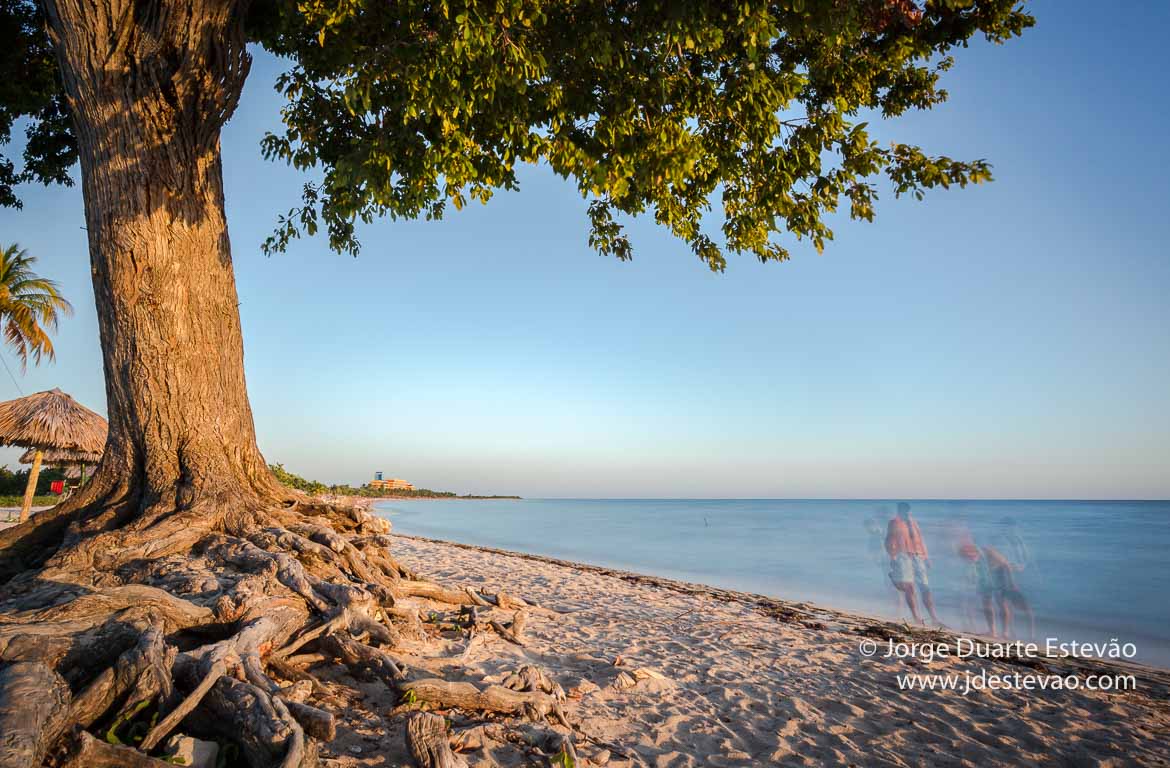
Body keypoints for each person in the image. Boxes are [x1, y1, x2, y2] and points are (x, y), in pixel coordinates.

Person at [885, 502, 941, 626]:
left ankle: (934, 618)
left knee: (925, 588)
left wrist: (926, 557)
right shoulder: (894, 522)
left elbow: (920, 540)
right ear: (900, 511)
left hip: (918, 557)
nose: (907, 514)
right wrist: (892, 556)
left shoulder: (913, 523)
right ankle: (916, 618)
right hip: (902, 556)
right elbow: (888, 540)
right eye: (905, 512)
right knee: (909, 588)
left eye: (909, 512)